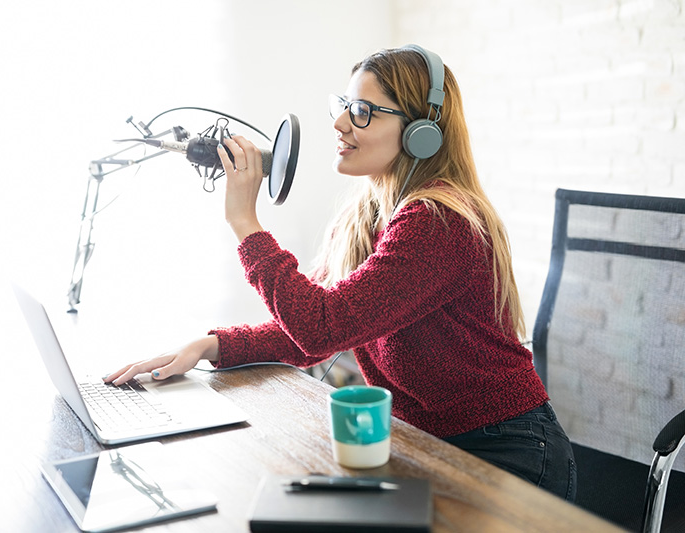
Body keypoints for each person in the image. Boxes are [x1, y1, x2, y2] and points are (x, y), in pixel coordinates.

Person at [105, 45, 577, 501]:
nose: (339, 122)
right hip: (426, 441)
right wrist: (212, 345)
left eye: (363, 111)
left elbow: (321, 327)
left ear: (421, 132)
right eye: (344, 105)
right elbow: (312, 325)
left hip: (505, 448)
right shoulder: (365, 218)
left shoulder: (439, 220)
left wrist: (245, 224)